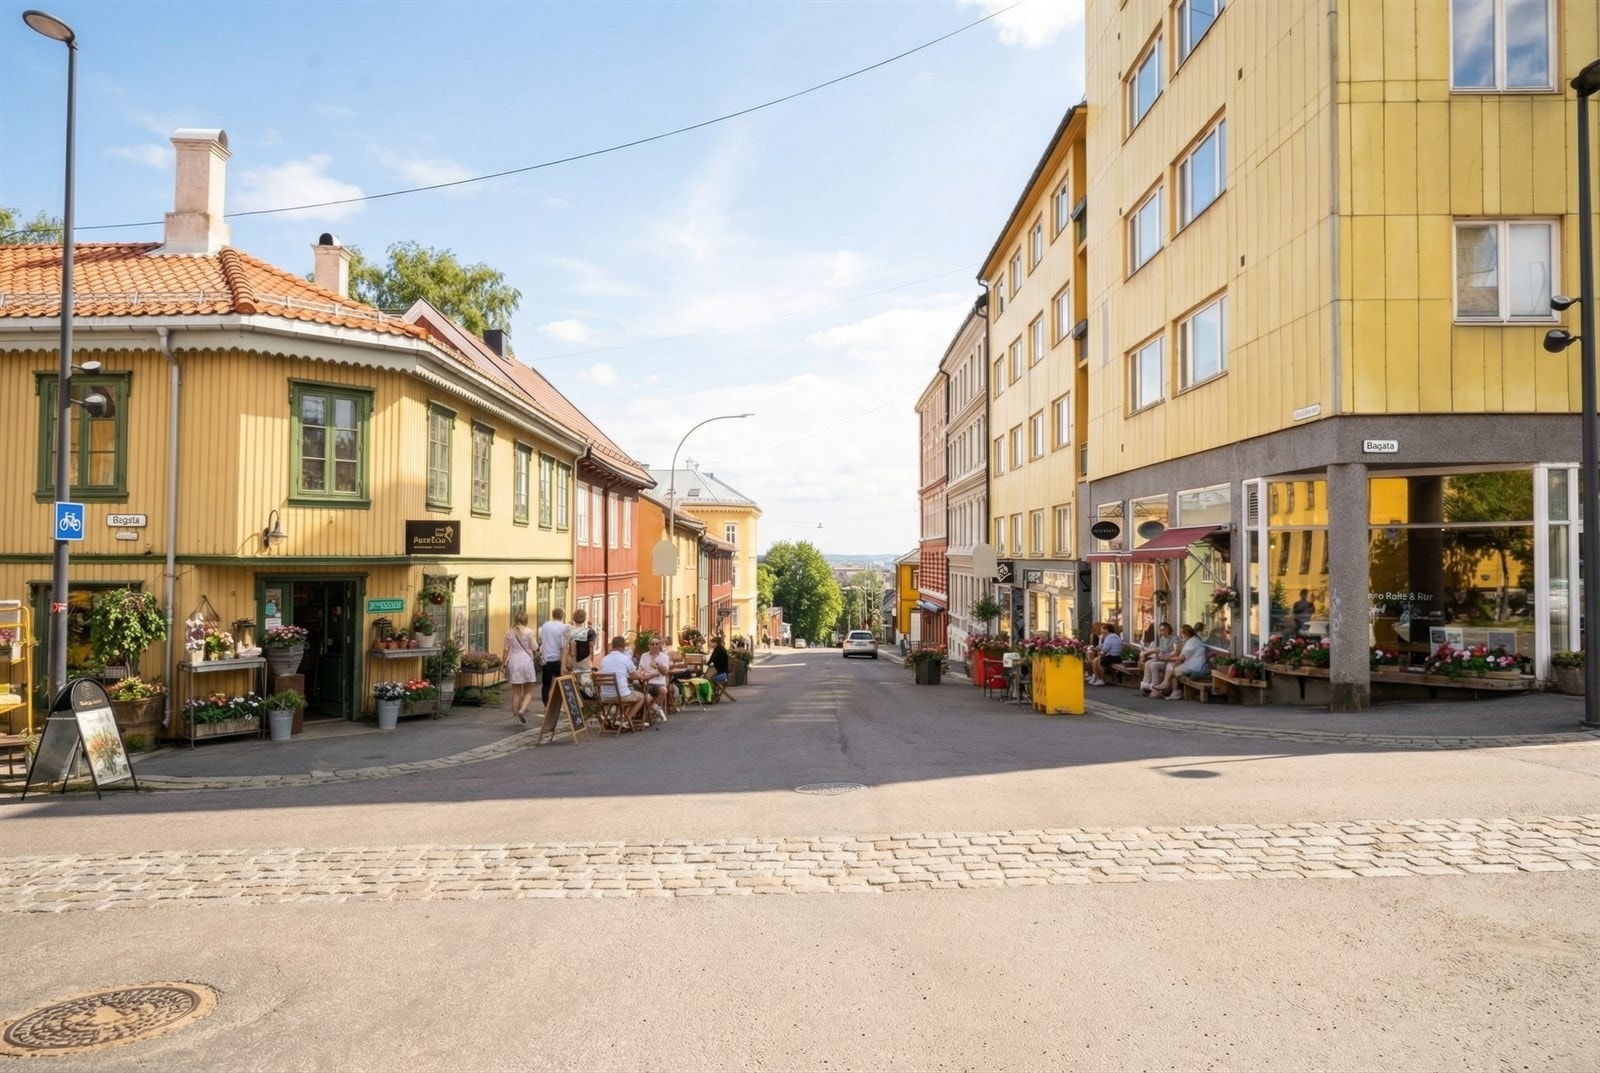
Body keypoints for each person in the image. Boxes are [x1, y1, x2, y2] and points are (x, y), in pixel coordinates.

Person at [598, 635, 648, 728]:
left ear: (612, 646)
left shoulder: (604, 659)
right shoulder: (625, 658)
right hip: (620, 696)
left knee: (627, 692)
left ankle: (619, 718)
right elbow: (635, 676)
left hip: (605, 696)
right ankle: (626, 719)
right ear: (623, 647)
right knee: (641, 697)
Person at [502, 611, 539, 724]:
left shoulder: (509, 632)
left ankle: (516, 716)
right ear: (526, 620)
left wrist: (503, 664)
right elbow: (534, 646)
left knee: (516, 692)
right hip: (526, 661)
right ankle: (522, 709)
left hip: (514, 661)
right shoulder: (529, 632)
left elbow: (505, 650)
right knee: (528, 691)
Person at [1155, 624, 1209, 700]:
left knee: (1172, 670)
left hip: (1195, 665)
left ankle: (1170, 687)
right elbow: (1180, 655)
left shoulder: (1192, 642)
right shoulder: (1191, 640)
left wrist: (1166, 658)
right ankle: (1171, 689)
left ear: (1187, 633)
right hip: (1190, 663)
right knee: (1172, 665)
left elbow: (1181, 658)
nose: (1181, 635)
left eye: (1182, 633)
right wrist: (1168, 657)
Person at [636, 636, 673, 722]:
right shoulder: (644, 656)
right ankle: (644, 714)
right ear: (649, 646)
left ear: (660, 645)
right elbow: (641, 669)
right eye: (652, 644)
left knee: (663, 690)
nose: (654, 646)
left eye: (657, 644)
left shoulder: (664, 657)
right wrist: (641, 673)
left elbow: (665, 672)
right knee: (643, 694)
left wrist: (657, 665)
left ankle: (655, 706)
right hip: (646, 682)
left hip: (659, 682)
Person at [1137, 622, 1179, 696]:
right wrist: (1146, 653)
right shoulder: (1162, 639)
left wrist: (1165, 656)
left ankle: (1156, 689)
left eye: (1163, 630)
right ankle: (1145, 688)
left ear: (1168, 630)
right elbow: (1159, 649)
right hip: (1162, 659)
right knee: (1147, 663)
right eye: (1160, 630)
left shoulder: (1174, 638)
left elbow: (1175, 652)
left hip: (1170, 661)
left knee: (1153, 665)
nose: (1161, 632)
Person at [537, 607, 568, 705]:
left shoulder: (545, 626)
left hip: (546, 660)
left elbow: (541, 637)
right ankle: (558, 704)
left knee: (546, 684)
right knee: (560, 685)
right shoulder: (564, 627)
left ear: (552, 615)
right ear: (562, 616)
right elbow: (563, 645)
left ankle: (546, 704)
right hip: (558, 660)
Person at [566, 608, 598, 696]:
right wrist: (591, 662)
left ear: (573, 618)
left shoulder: (569, 632)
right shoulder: (590, 632)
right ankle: (586, 704)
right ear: (584, 619)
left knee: (572, 686)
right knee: (586, 687)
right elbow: (591, 648)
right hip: (585, 662)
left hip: (571, 662)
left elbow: (565, 649)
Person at [707, 634, 736, 701]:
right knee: (708, 676)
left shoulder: (718, 650)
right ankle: (714, 694)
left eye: (711, 643)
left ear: (715, 643)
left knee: (707, 679)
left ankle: (711, 695)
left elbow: (711, 660)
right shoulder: (720, 648)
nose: (710, 645)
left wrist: (707, 664)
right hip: (723, 672)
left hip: (722, 674)